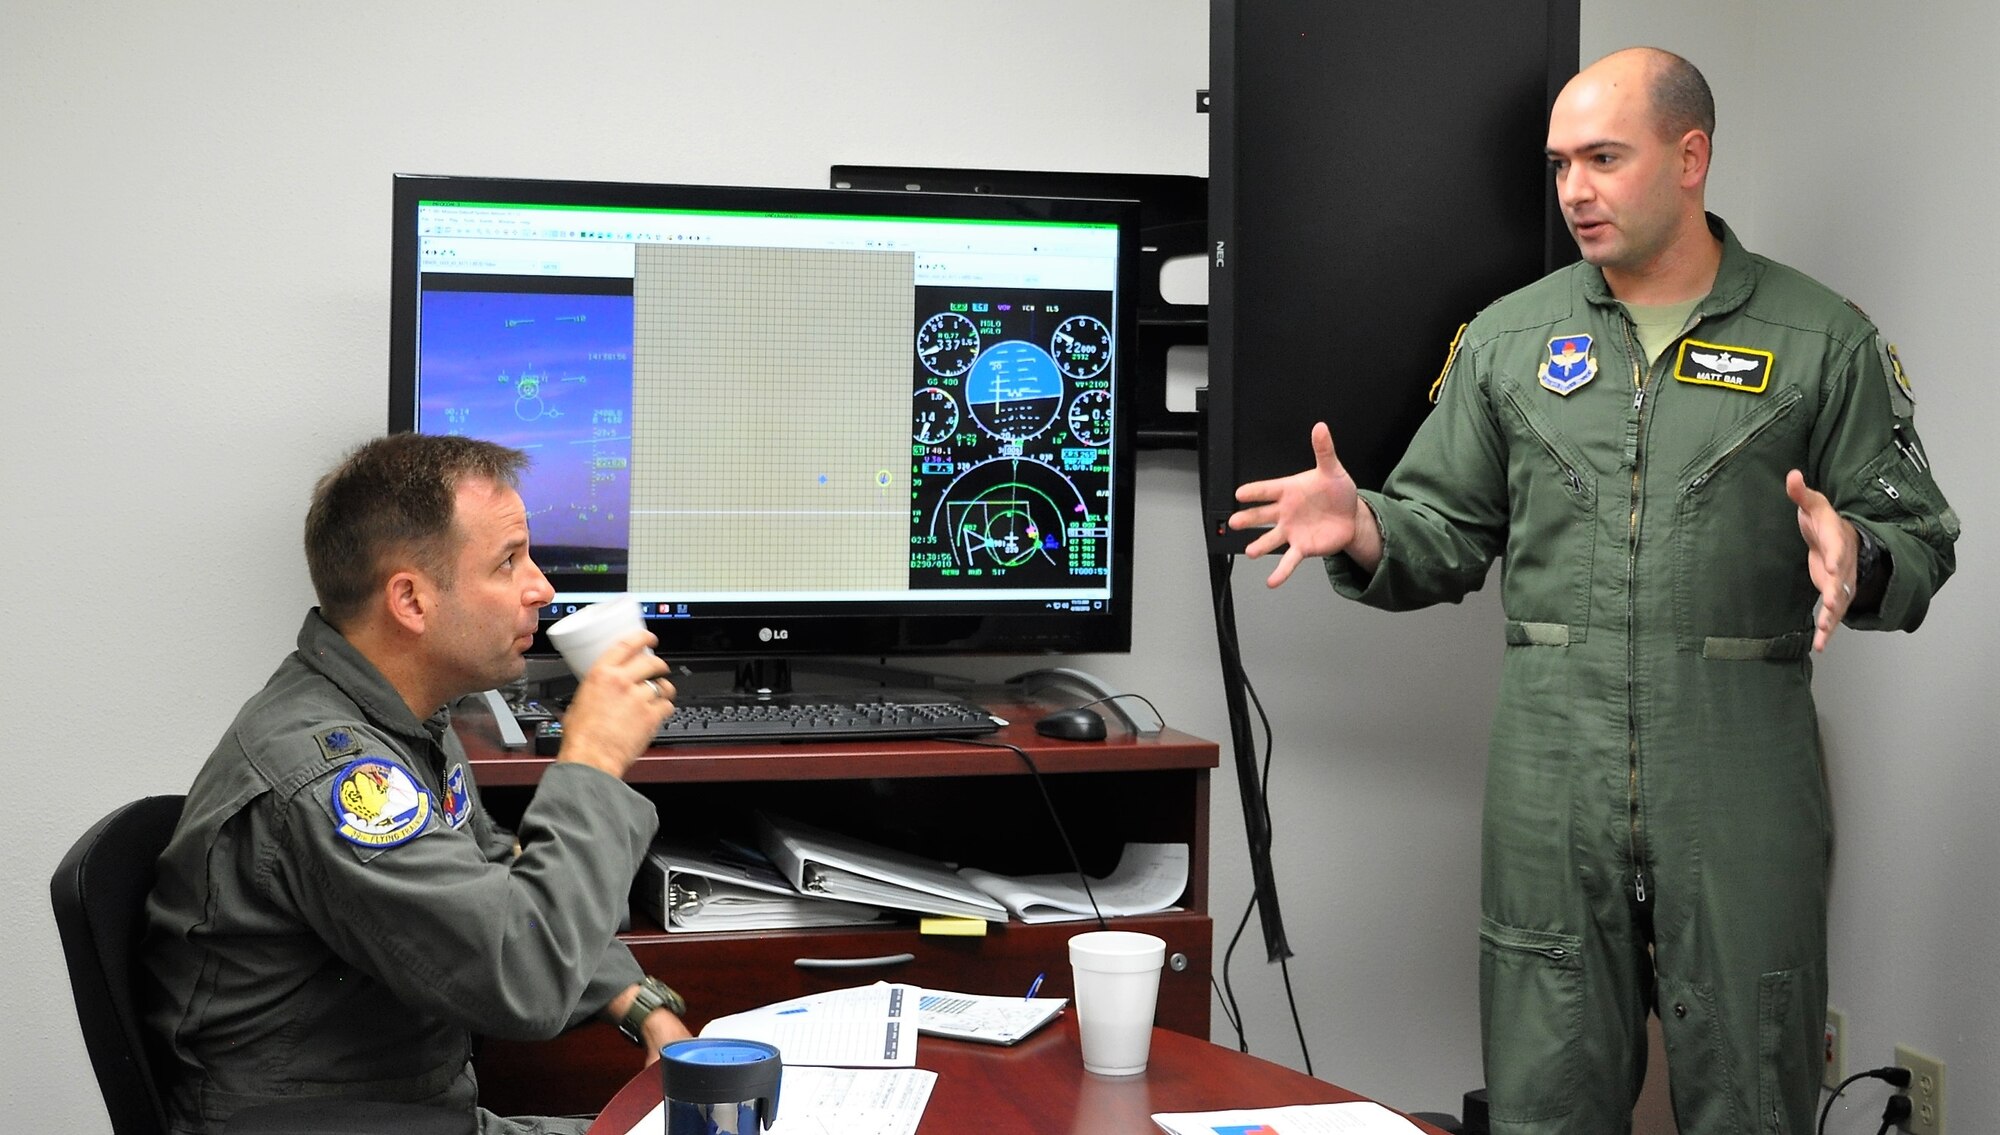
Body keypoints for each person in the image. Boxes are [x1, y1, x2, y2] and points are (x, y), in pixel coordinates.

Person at [1229, 47, 1957, 1135]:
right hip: (1549, 775)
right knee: (1545, 1095)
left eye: (1603, 159)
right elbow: (1446, 535)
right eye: (1559, 163)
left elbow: (1919, 536)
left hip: (1738, 773)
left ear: (1689, 156)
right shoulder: (1506, 340)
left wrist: (1857, 552)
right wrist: (1368, 526)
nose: (1572, 189)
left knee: (1753, 1086)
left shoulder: (1820, 341)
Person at [143, 433, 691, 1135]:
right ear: (410, 599)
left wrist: (637, 1000)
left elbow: (489, 877)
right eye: (508, 561)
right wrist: (590, 762)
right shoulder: (336, 777)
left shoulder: (402, 718)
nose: (542, 588)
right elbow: (521, 976)